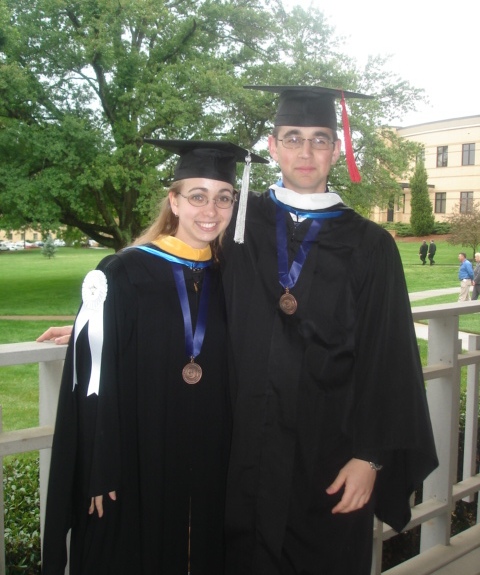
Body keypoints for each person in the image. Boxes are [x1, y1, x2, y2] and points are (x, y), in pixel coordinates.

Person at [220, 85, 438, 575]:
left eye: (319, 139)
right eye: (292, 138)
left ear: (336, 151)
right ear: (272, 145)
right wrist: (110, 316)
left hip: (330, 456)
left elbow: (390, 355)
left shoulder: (370, 243)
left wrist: (371, 458)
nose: (305, 151)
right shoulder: (236, 221)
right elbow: (179, 278)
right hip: (240, 452)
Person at [41, 140, 266, 575]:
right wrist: (98, 466)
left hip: (210, 454)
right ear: (174, 201)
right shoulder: (125, 271)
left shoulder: (231, 277)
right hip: (138, 453)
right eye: (197, 196)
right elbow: (99, 370)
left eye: (223, 198)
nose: (211, 210)